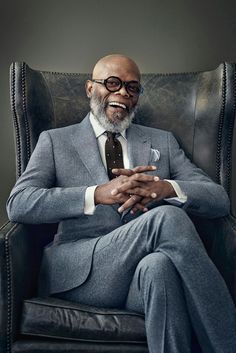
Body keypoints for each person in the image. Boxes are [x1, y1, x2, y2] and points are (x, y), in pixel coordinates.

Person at [7, 54, 236, 353]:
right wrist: (96, 194)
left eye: (132, 87)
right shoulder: (55, 141)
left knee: (159, 266)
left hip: (136, 281)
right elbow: (19, 203)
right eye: (112, 83)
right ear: (90, 88)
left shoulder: (162, 142)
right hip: (82, 274)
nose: (123, 94)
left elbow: (218, 199)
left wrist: (166, 187)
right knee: (166, 219)